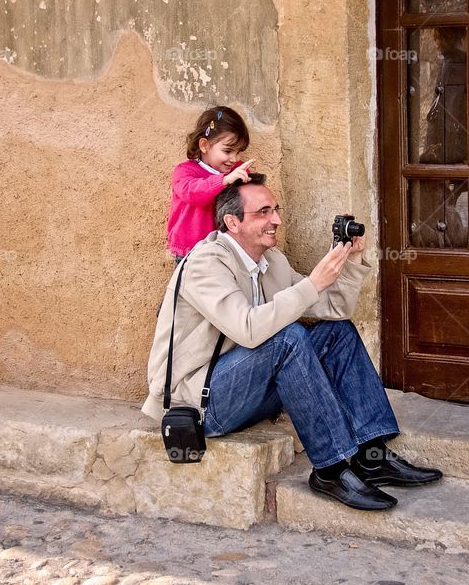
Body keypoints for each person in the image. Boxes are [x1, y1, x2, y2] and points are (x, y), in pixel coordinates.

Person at [142, 174, 443, 511]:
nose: (277, 220)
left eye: (276, 210)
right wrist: (313, 283)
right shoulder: (205, 264)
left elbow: (333, 309)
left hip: (248, 388)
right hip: (201, 404)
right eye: (264, 212)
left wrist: (351, 261)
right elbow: (248, 330)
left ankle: (371, 456)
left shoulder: (274, 263)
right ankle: (330, 469)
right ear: (232, 222)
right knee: (288, 337)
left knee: (337, 334)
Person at [167, 106, 256, 262]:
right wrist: (223, 180)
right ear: (204, 145)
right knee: (191, 286)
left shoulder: (236, 169)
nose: (234, 159)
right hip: (191, 251)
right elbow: (192, 194)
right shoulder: (185, 172)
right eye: (228, 151)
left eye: (239, 152)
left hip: (225, 248)